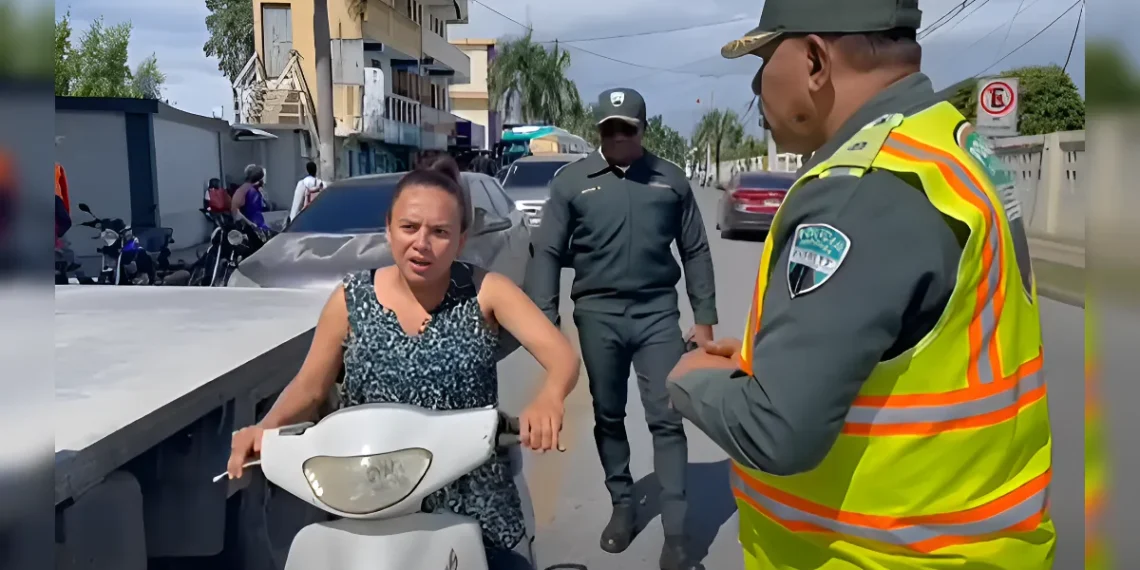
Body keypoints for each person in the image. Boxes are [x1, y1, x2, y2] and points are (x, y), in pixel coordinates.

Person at [666, 1, 1054, 568]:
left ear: (815, 61)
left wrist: (689, 379)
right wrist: (761, 363)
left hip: (873, 554)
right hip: (978, 537)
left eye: (765, 60)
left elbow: (776, 431)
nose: (755, 86)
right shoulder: (947, 144)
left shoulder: (860, 188)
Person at [227, 156, 580, 569]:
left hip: (474, 501)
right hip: (370, 498)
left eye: (440, 232)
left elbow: (562, 356)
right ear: (389, 229)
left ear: (461, 240)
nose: (422, 244)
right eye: (409, 227)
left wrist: (549, 398)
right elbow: (310, 388)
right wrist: (263, 430)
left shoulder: (488, 292)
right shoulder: (349, 300)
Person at [523, 88, 716, 570]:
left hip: (656, 315)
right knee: (608, 415)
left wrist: (704, 321)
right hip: (598, 315)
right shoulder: (572, 183)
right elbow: (547, 252)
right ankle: (623, 506)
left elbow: (695, 249)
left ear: (642, 130)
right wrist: (546, 323)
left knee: (667, 415)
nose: (617, 137)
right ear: (599, 132)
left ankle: (676, 531)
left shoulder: (670, 181)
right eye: (609, 129)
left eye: (626, 128)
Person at [231, 164, 271, 246]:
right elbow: (238, 212)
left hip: (257, 229)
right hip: (251, 231)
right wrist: (254, 226)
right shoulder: (247, 191)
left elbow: (267, 208)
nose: (264, 179)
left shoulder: (254, 190)